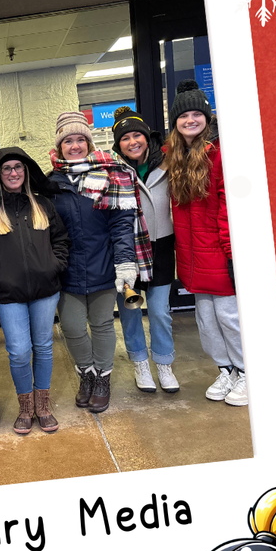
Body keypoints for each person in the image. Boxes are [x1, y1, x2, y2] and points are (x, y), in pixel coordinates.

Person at [50, 111, 152, 413]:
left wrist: (124, 263)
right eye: (68, 140)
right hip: (67, 270)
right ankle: (87, 374)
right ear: (60, 146)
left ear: (89, 142)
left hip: (103, 265)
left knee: (103, 325)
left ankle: (103, 378)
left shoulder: (110, 175)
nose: (75, 145)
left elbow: (121, 225)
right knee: (72, 327)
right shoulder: (50, 183)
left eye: (80, 139)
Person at [0, 148, 70, 434]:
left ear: (25, 172)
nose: (13, 173)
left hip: (45, 290)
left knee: (44, 347)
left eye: (18, 168)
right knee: (18, 351)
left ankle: (43, 406)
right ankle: (25, 408)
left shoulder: (43, 205)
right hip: (8, 294)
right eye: (7, 169)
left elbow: (61, 239)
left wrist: (55, 265)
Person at [164, 80, 246, 406]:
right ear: (176, 122)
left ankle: (246, 372)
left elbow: (229, 207)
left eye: (197, 114)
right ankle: (226, 370)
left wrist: (231, 253)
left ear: (207, 118)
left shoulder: (219, 155)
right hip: (191, 256)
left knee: (229, 317)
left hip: (217, 251)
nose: (190, 121)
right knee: (206, 319)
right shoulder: (172, 158)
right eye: (184, 116)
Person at [111, 107, 179, 393]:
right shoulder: (113, 172)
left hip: (161, 245)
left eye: (136, 134)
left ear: (147, 138)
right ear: (118, 145)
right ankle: (140, 362)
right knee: (130, 311)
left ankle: (164, 363)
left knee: (161, 312)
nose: (132, 142)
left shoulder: (168, 165)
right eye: (125, 138)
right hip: (127, 250)